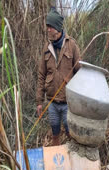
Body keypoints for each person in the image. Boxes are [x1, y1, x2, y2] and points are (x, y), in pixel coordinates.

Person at [36, 7, 80, 146]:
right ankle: (57, 160)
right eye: (47, 26)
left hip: (68, 102)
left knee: (70, 132)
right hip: (52, 102)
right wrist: (39, 101)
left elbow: (79, 71)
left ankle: (73, 155)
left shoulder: (71, 45)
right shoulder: (46, 48)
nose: (48, 29)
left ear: (58, 28)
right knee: (55, 132)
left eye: (50, 27)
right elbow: (41, 75)